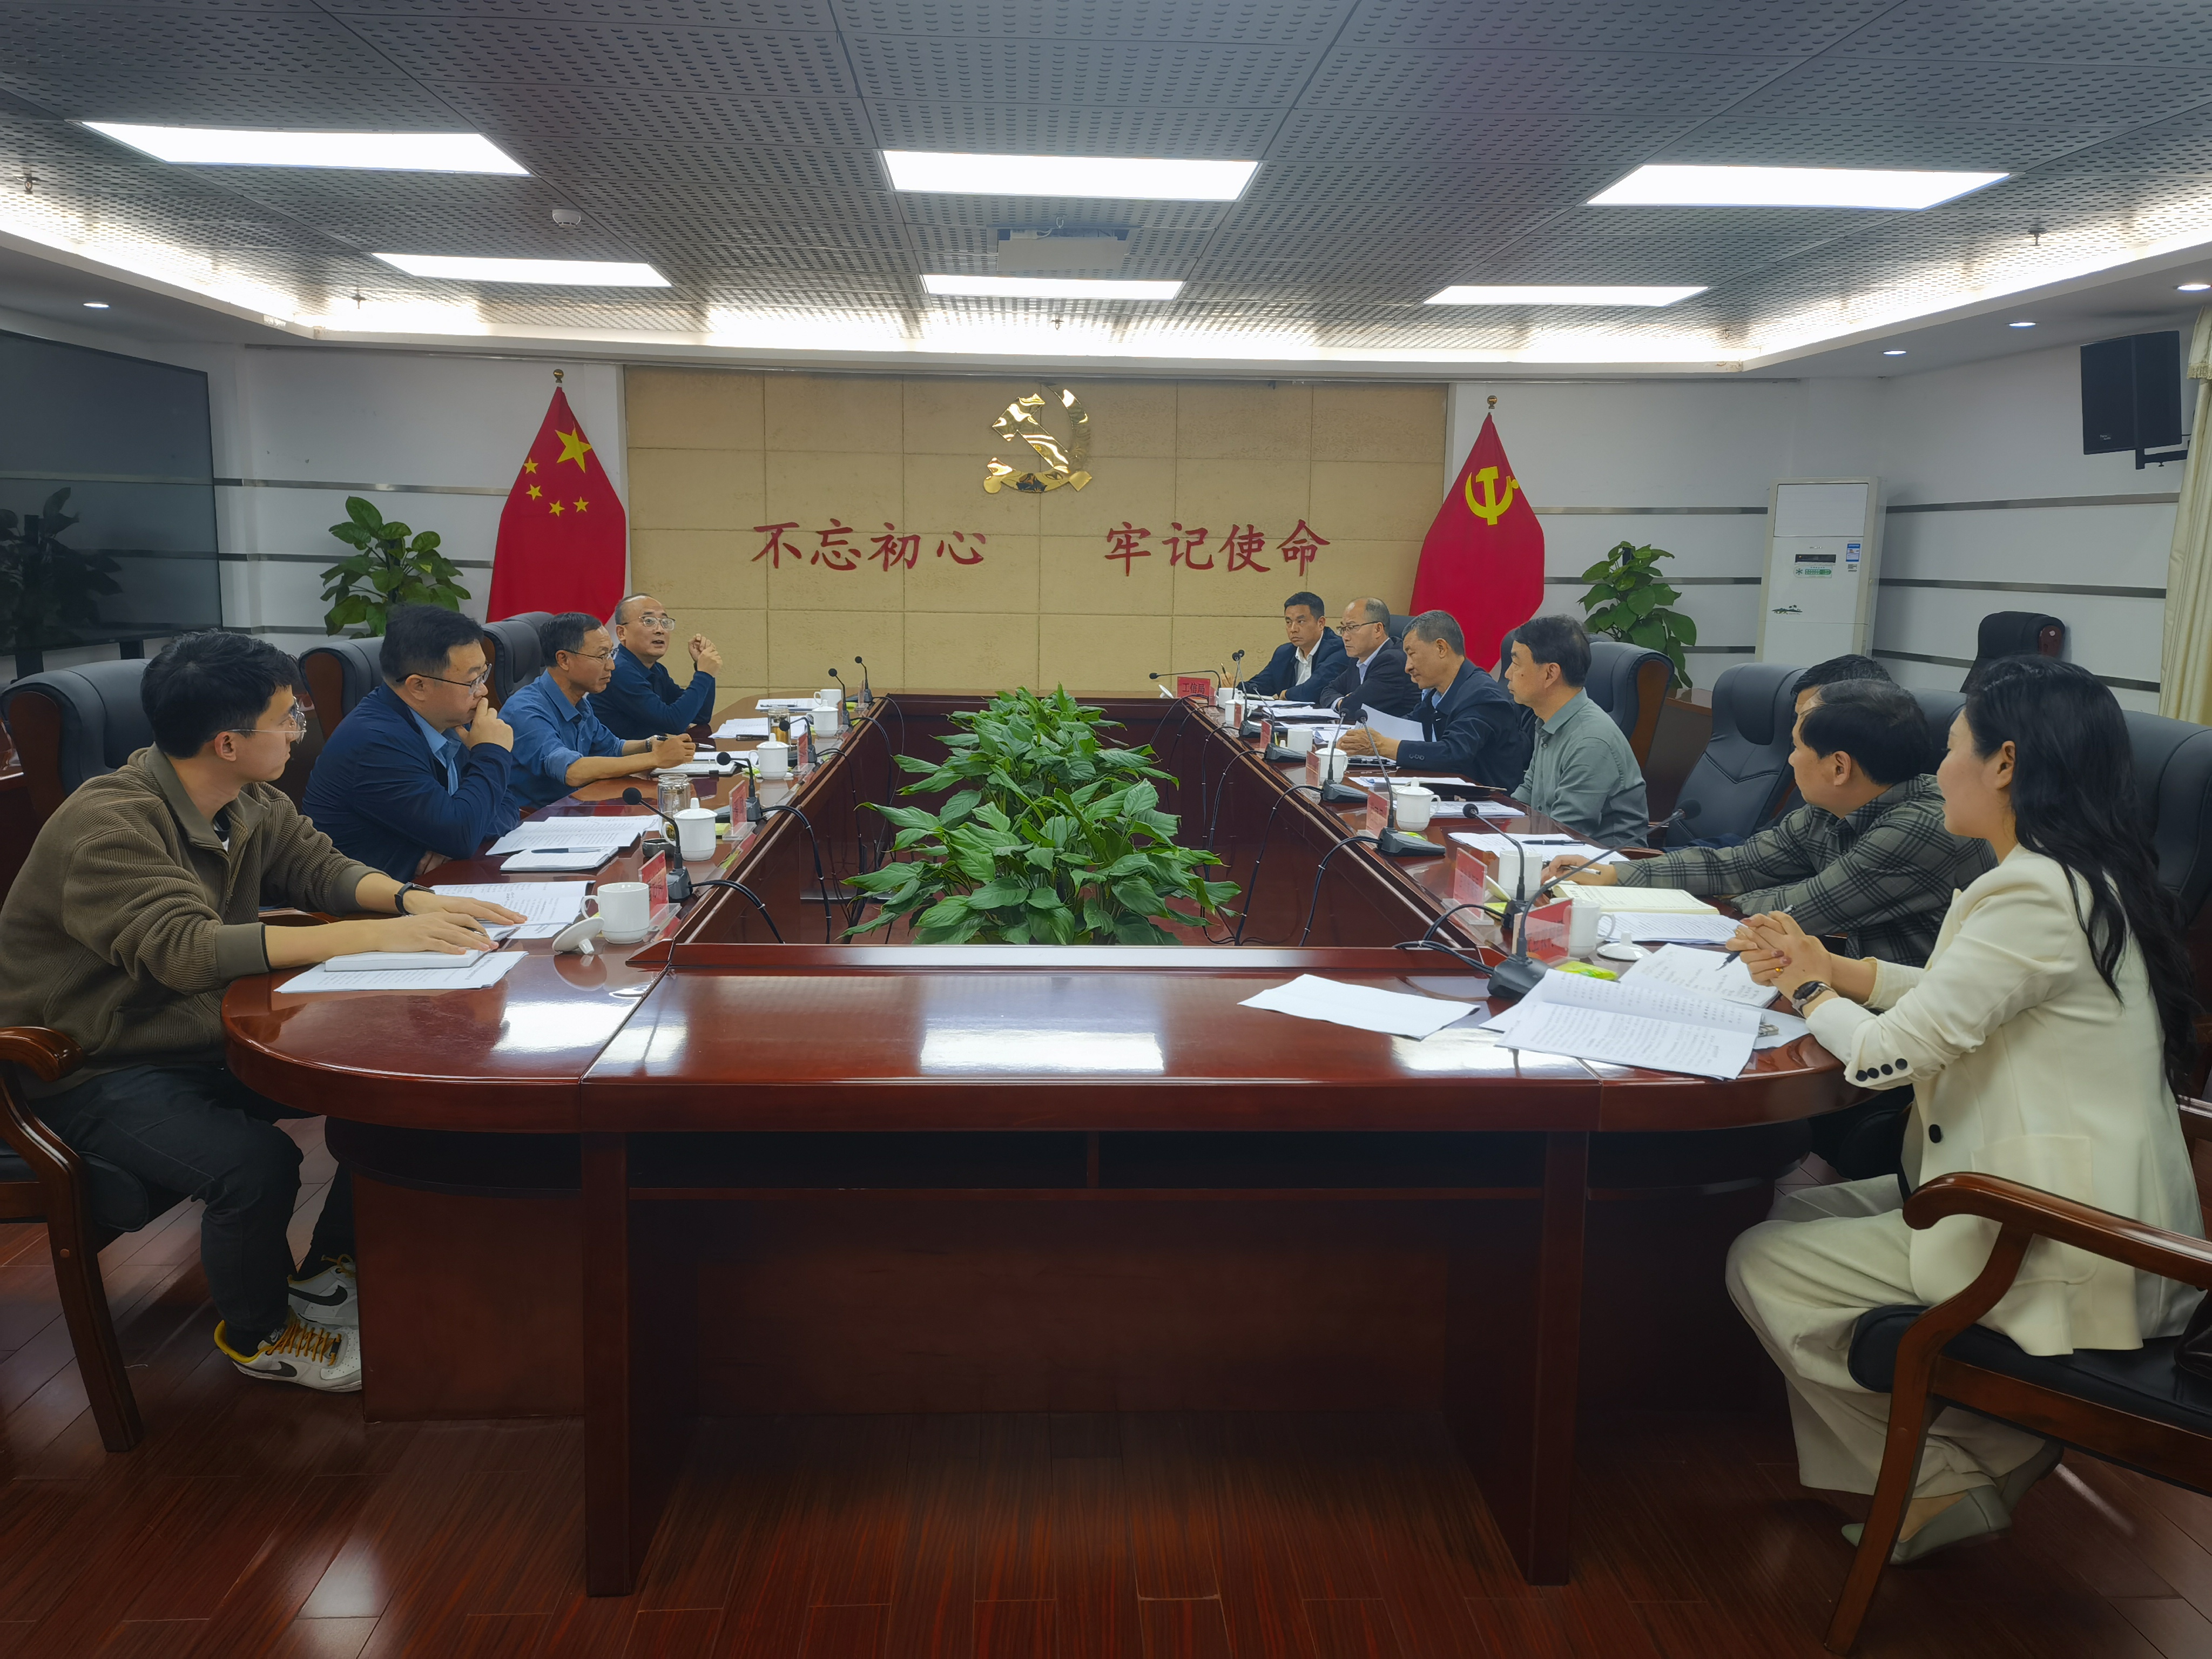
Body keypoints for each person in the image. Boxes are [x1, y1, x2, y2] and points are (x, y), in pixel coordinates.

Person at [1724, 656, 2203, 1562]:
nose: (1938, 771)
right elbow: (1967, 995)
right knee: (1801, 1214)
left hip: (2054, 1231)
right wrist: (1838, 970)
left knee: (1765, 1261)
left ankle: (1938, 1474)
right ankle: (1977, 1454)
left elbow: (1885, 1057)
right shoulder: (2079, 876)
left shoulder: (2032, 892)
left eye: (1951, 750)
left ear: (2006, 763)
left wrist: (1803, 991)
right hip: (2066, 1198)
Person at [0, 632, 523, 1392]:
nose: (298, 731)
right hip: (89, 1063)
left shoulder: (244, 798)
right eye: (287, 718)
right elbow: (184, 950)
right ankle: (260, 1333)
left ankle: (331, 1269)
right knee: (253, 1165)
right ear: (227, 741)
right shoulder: (109, 823)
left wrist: (414, 902)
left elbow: (319, 867)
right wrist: (375, 935)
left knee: (388, 1091)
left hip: (194, 1031)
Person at [1543, 677, 1990, 968]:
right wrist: (1618, 873)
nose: (1790, 760)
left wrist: (1730, 895)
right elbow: (1738, 863)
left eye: (1796, 748)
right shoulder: (1832, 807)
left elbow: (1796, 910)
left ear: (1839, 767)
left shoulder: (1922, 825)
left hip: (1912, 1025)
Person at [302, 604, 521, 880]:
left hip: (431, 884)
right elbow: (462, 833)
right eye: (472, 681)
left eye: (484, 675)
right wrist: (491, 752)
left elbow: (506, 804)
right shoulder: (376, 744)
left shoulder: (447, 719)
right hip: (366, 901)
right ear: (419, 686)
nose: (483, 691)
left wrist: (460, 835)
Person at [503, 612, 694, 812]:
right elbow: (572, 771)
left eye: (611, 654)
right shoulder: (525, 710)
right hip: (536, 820)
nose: (611, 666)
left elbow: (612, 747)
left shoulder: (579, 701)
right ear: (564, 660)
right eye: (602, 656)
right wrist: (655, 759)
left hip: (576, 810)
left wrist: (649, 744)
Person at [1334, 610, 1532, 788]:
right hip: (1449, 791)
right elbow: (1410, 725)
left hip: (1490, 804)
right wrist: (1365, 736)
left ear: (1441, 648)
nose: (1407, 667)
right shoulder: (1436, 693)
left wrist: (1382, 746)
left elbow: (1454, 753)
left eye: (1412, 654)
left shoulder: (1482, 695)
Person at [1502, 615, 1648, 845]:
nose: (1508, 674)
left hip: (1602, 862)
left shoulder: (1591, 741)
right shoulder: (1548, 721)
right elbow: (1526, 797)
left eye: (1516, 664)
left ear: (1550, 674)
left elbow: (1565, 833)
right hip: (1552, 850)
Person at [591, 593, 722, 741]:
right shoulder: (619, 671)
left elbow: (700, 716)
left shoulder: (656, 669)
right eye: (649, 621)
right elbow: (674, 723)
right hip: (620, 756)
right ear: (622, 633)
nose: (660, 630)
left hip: (650, 754)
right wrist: (704, 674)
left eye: (665, 622)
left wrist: (702, 666)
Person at [1321, 596, 1420, 720]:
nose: (1345, 637)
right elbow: (1327, 691)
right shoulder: (1358, 659)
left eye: (1351, 628)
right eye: (1343, 629)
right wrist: (1343, 702)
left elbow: (1353, 708)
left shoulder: (1392, 662)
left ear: (1378, 629)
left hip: (1395, 732)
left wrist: (1346, 702)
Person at [1239, 591, 1346, 704]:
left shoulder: (1339, 650)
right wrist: (1234, 689)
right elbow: (1260, 686)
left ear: (1321, 623)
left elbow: (1313, 690)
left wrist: (1286, 694)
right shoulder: (1284, 653)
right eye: (1289, 622)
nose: (1293, 629)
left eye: (1301, 622)